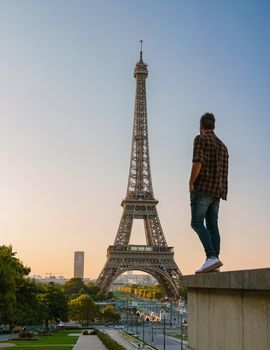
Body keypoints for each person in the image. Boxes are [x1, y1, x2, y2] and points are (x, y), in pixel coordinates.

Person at [189, 113, 229, 273]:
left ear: (201, 126)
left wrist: (191, 181)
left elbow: (198, 161)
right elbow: (224, 172)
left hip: (203, 188)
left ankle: (211, 257)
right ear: (214, 126)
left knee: (196, 223)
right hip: (217, 191)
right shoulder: (223, 146)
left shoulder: (200, 139)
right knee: (213, 225)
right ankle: (214, 261)